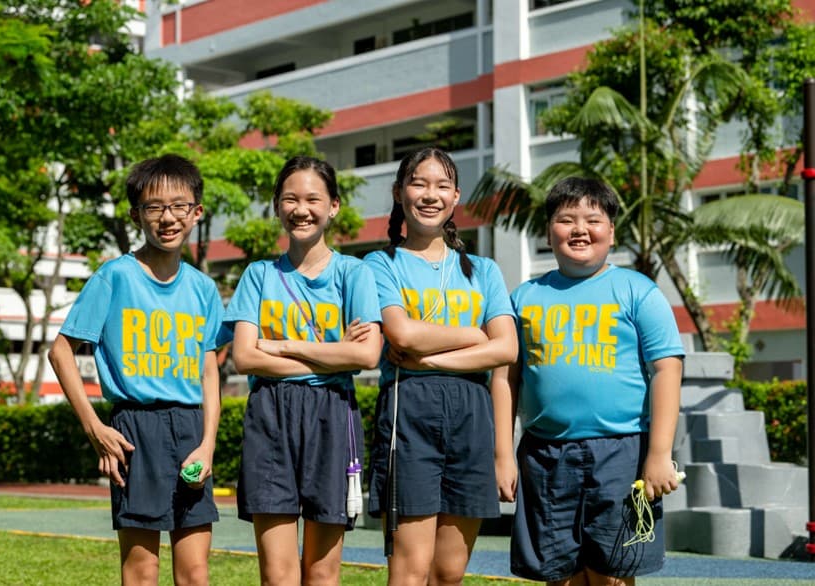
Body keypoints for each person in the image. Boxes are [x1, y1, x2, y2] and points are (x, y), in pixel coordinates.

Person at [48, 154, 228, 586]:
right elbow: (60, 352)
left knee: (195, 573)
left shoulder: (204, 288)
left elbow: (209, 374)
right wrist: (94, 428)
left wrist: (207, 445)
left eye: (179, 206)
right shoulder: (115, 277)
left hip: (190, 429)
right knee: (142, 571)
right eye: (154, 207)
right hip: (134, 430)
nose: (168, 217)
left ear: (197, 212)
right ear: (136, 215)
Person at [501, 177, 685, 586]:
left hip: (623, 451)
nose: (579, 229)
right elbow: (505, 377)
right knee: (558, 571)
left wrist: (659, 454)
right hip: (545, 453)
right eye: (566, 219)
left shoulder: (638, 290)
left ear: (611, 231)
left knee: (612, 572)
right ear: (548, 231)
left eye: (593, 220)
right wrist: (502, 454)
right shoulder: (523, 298)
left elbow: (667, 370)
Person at [224, 155, 382, 585]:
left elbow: (367, 356)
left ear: (334, 206)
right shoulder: (258, 275)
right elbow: (246, 357)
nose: (301, 209)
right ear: (277, 205)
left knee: (322, 573)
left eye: (313, 199)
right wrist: (333, 352)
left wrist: (283, 345)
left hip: (333, 415)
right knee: (277, 575)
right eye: (290, 199)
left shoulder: (355, 273)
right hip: (270, 414)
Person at [364, 147, 518, 585]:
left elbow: (507, 349)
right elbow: (402, 333)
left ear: (455, 198)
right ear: (399, 192)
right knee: (410, 569)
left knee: (449, 572)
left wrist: (430, 358)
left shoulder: (484, 270)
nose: (430, 195)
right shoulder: (380, 264)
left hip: (472, 413)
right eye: (419, 183)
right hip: (409, 411)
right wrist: (476, 336)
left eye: (442, 186)